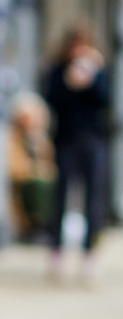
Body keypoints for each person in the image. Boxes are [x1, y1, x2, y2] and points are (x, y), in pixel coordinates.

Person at [43, 25, 112, 282]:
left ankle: (90, 253)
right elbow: (52, 98)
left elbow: (104, 100)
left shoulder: (99, 69)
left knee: (94, 197)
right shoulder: (58, 71)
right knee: (61, 194)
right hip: (66, 139)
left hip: (93, 138)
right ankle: (56, 250)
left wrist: (91, 78)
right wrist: (70, 81)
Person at [6, 92, 55, 242]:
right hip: (20, 189)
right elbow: (15, 168)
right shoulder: (12, 138)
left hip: (36, 184)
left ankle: (44, 227)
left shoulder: (40, 139)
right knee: (37, 186)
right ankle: (29, 229)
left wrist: (37, 144)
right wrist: (35, 170)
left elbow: (50, 167)